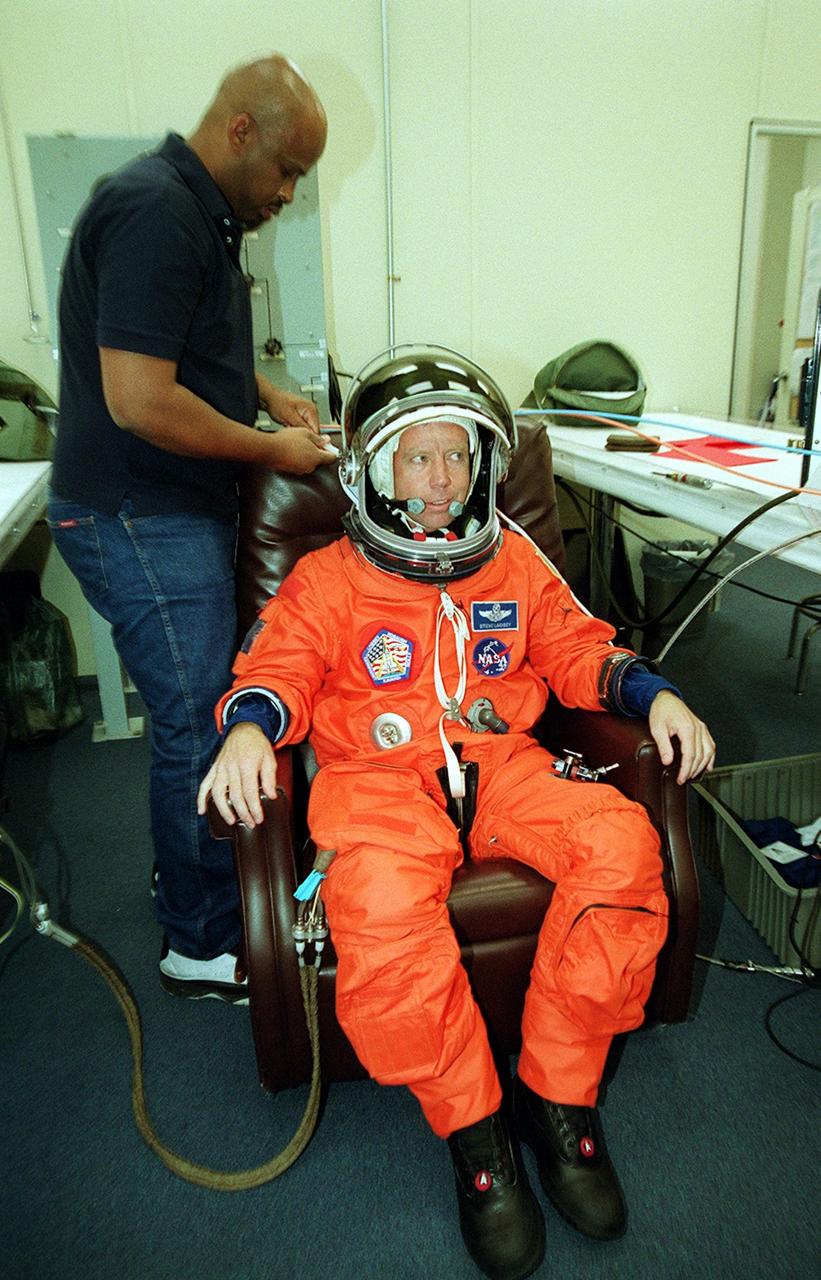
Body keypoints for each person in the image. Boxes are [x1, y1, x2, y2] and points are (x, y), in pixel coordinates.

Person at [198, 347, 716, 1279]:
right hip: (375, 781)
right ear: (370, 469)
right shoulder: (324, 578)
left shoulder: (513, 559)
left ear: (484, 463)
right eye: (415, 458)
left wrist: (654, 695)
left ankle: (558, 1098)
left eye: (458, 457)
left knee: (619, 847)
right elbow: (274, 670)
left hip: (501, 762)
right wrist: (245, 732)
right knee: (383, 912)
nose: (440, 483)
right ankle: (477, 1139)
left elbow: (575, 646)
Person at [48, 54, 336, 1003]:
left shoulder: (198, 216)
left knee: (195, 713)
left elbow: (179, 345)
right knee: (198, 722)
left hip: (156, 507)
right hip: (139, 510)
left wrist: (265, 391)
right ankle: (201, 941)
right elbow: (138, 399)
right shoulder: (156, 212)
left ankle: (186, 878)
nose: (288, 195)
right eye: (285, 171)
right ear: (240, 131)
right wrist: (267, 450)